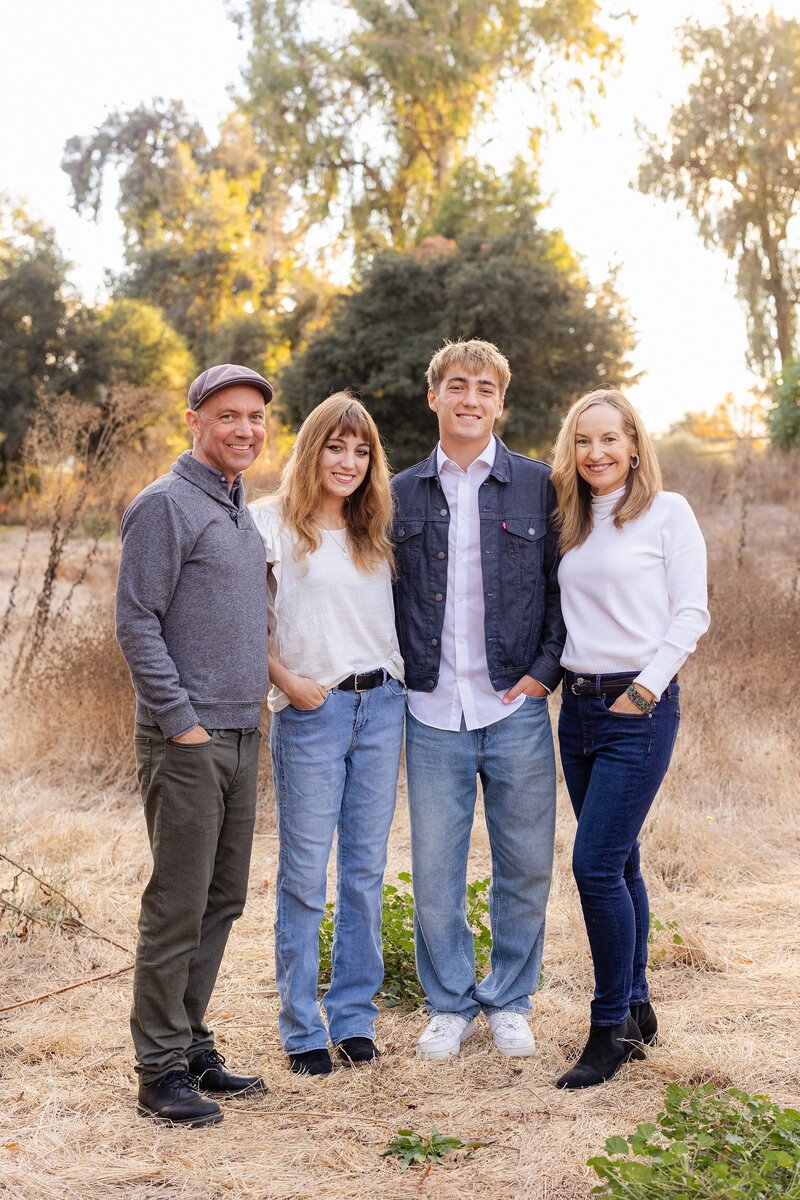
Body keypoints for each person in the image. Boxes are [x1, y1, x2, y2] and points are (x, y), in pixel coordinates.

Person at [391, 339, 565, 1061]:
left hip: (514, 707)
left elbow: (566, 586)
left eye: (484, 389)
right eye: (456, 385)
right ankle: (450, 1004)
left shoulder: (540, 486)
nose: (470, 399)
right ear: (433, 396)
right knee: (436, 869)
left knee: (525, 863)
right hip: (432, 709)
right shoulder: (396, 493)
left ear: (501, 402)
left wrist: (544, 673)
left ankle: (511, 999)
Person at [116, 363, 274, 1128]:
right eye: (229, 416)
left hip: (244, 733)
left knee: (223, 898)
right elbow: (136, 621)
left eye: (255, 417)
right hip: (188, 741)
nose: (245, 429)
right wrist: (182, 721)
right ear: (194, 421)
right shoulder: (165, 505)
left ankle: (190, 1044)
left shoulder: (240, 510)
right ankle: (157, 1072)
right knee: (177, 904)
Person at [550, 387, 710, 1090]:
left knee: (593, 867)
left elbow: (692, 612)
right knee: (622, 865)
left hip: (636, 709)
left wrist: (642, 691)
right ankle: (639, 1010)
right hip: (576, 706)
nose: (596, 453)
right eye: (583, 441)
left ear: (635, 445)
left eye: (610, 439)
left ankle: (607, 1025)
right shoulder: (572, 519)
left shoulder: (666, 513)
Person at [250, 392, 405, 1077]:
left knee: (365, 874)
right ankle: (301, 1026)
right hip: (312, 713)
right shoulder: (268, 526)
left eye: (361, 450)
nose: (347, 461)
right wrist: (284, 680)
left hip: (384, 709)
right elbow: (240, 626)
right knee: (306, 878)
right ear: (311, 450)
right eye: (335, 447)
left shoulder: (377, 532)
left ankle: (353, 1016)